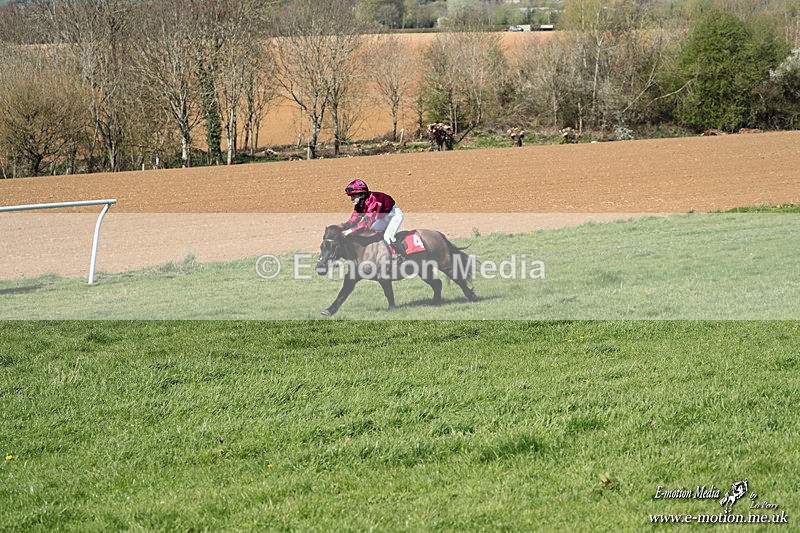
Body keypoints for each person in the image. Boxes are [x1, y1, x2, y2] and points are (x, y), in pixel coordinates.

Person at [340, 179, 406, 260]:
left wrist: (349, 231)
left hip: (394, 216)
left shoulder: (374, 202)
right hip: (382, 217)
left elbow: (366, 224)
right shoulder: (360, 204)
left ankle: (401, 257)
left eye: (354, 196)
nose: (351, 199)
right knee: (372, 233)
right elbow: (354, 218)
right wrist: (343, 227)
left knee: (388, 236)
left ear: (362, 195)